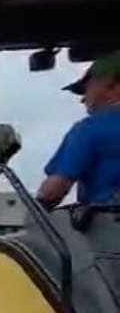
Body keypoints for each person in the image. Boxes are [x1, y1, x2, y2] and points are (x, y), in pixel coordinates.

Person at [36, 51, 120, 210]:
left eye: (86, 89)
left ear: (111, 84)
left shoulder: (89, 129)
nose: (82, 99)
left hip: (106, 230)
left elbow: (52, 193)